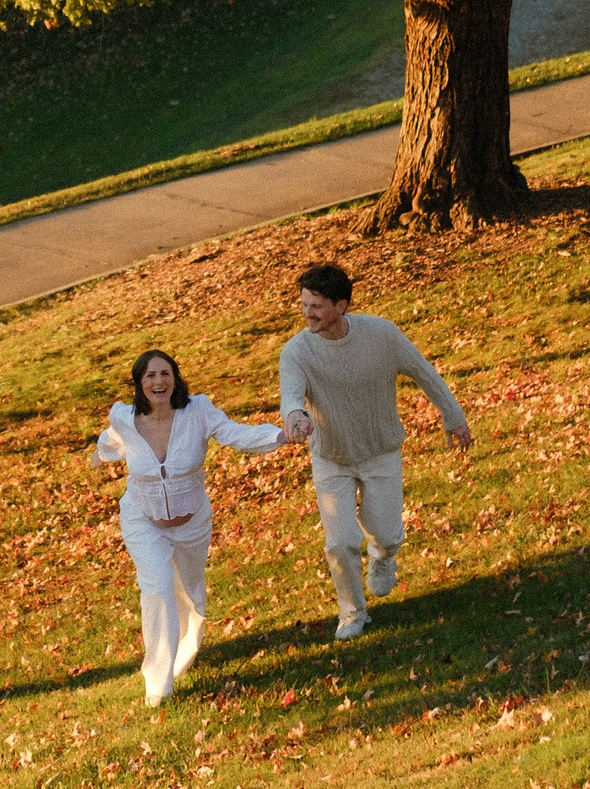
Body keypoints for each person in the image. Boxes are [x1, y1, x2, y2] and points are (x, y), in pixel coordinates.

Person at [93, 349, 308, 707]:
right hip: (142, 520)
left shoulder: (198, 412)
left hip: (191, 521)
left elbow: (235, 434)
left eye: (165, 374)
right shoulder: (124, 418)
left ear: (175, 378)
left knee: (190, 593)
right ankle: (158, 685)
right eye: (150, 376)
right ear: (138, 383)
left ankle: (186, 648)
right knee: (158, 587)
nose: (158, 382)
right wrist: (99, 456)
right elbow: (112, 440)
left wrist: (280, 437)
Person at [277, 262, 470, 640]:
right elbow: (290, 395)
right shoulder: (296, 351)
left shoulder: (381, 334)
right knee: (340, 541)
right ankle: (352, 613)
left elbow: (422, 371)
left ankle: (383, 556)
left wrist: (453, 416)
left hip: (380, 450)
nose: (307, 313)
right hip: (331, 456)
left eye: (316, 305)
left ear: (341, 305)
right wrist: (295, 416)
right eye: (303, 304)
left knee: (387, 532)